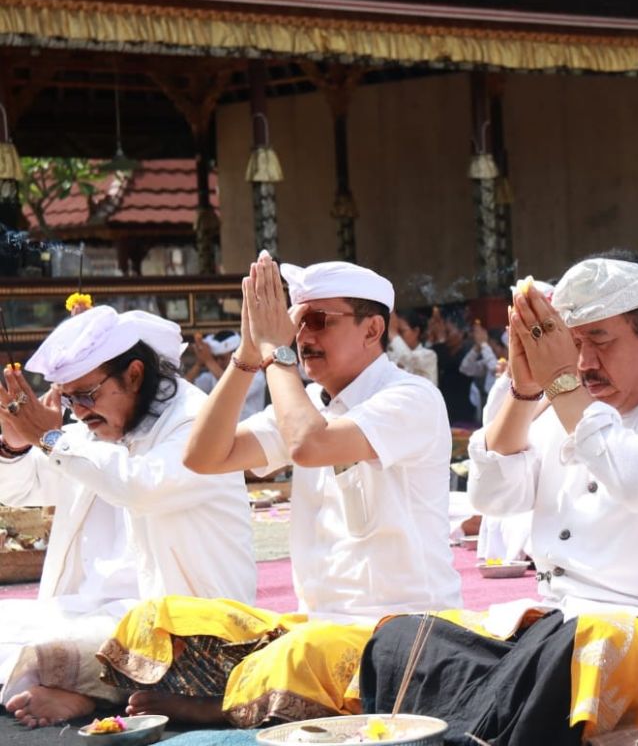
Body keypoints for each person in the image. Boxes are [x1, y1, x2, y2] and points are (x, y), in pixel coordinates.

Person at [358, 250, 638, 745]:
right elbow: (494, 496)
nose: (583, 363)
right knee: (403, 640)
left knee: (587, 645)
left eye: (600, 340)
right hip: (553, 628)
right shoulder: (563, 405)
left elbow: (634, 479)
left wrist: (562, 385)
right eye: (574, 343)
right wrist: (523, 391)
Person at [97, 254, 461, 727]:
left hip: (401, 629)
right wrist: (249, 356)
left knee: (301, 652)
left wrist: (278, 352)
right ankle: (246, 698)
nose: (302, 336)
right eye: (294, 322)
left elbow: (310, 444)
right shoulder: (307, 402)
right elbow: (203, 456)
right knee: (164, 616)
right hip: (319, 625)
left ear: (372, 330)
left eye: (317, 321)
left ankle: (222, 709)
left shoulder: (411, 397)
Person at [0, 307, 255, 728]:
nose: (77, 411)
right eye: (68, 399)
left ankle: (90, 692)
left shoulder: (194, 419)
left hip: (175, 624)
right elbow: (25, 487)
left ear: (134, 375)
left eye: (85, 395)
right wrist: (14, 445)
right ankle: (87, 687)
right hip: (84, 612)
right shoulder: (91, 427)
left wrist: (48, 437)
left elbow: (142, 486)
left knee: (46, 649)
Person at [187, 330, 267, 421]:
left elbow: (232, 387)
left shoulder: (255, 374)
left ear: (236, 354)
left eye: (222, 358)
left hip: (249, 431)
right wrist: (198, 364)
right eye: (215, 358)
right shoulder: (214, 374)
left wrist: (208, 360)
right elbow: (187, 387)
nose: (218, 362)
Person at [387, 309, 437, 386]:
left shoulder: (429, 355)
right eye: (397, 332)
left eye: (401, 331)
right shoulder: (390, 353)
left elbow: (408, 358)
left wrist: (393, 333)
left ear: (416, 331)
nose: (398, 337)